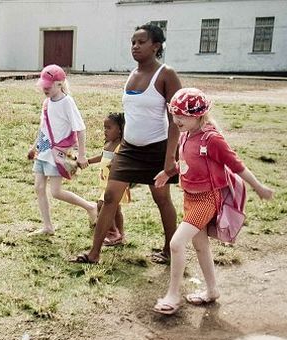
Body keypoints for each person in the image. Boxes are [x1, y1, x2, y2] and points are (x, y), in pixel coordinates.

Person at [152, 88, 274, 314]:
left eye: (182, 115)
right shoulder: (186, 133)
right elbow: (187, 161)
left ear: (199, 115)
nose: (176, 119)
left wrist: (258, 187)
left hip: (207, 199)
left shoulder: (212, 139)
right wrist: (169, 173)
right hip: (190, 197)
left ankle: (173, 295)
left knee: (176, 243)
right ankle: (212, 290)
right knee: (200, 246)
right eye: (174, 114)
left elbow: (237, 165)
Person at [73, 24, 181, 263]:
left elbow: (176, 120)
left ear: (156, 46)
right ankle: (94, 254)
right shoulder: (132, 74)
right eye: (133, 42)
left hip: (157, 149)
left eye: (141, 42)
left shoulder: (166, 74)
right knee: (110, 197)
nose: (135, 46)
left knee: (162, 199)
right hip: (130, 149)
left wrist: (170, 157)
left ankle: (170, 251)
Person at [27, 64, 96, 236]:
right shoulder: (46, 102)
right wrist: (34, 146)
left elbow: (80, 128)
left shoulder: (67, 102)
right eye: (43, 85)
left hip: (58, 153)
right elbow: (43, 127)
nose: (45, 89)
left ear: (59, 83)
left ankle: (90, 207)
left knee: (56, 192)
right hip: (43, 150)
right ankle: (48, 226)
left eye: (48, 85)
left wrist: (82, 155)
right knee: (39, 187)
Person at [87, 112, 130, 246]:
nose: (105, 130)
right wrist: (88, 161)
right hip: (105, 183)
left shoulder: (120, 146)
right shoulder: (108, 144)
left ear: (120, 129)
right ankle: (120, 236)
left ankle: (113, 233)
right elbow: (102, 156)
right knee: (116, 210)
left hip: (115, 183)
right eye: (104, 127)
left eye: (109, 128)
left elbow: (122, 161)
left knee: (102, 205)